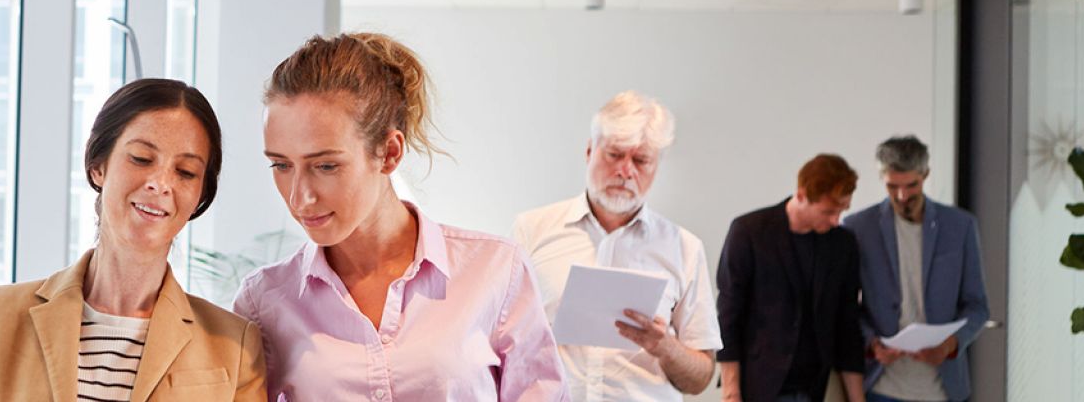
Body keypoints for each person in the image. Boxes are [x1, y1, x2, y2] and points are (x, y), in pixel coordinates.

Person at [231, 32, 568, 401]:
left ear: (389, 153)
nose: (300, 197)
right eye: (281, 165)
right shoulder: (263, 301)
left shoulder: (496, 270)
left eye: (326, 166)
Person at [0, 79, 265, 402]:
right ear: (98, 166)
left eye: (185, 172)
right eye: (141, 158)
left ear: (200, 195)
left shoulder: (235, 347)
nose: (160, 183)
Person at [513, 92, 720, 400]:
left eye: (641, 160)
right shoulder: (532, 230)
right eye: (614, 155)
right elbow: (500, 337)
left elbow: (700, 378)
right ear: (589, 151)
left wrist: (664, 346)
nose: (625, 171)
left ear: (656, 167)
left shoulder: (684, 248)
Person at [842, 136, 989, 402]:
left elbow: (977, 307)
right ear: (882, 178)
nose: (902, 196)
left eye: (911, 185)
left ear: (925, 175)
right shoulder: (858, 228)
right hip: (880, 388)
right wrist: (872, 343)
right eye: (892, 186)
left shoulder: (960, 226)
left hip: (944, 390)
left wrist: (950, 345)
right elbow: (846, 308)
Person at [716, 154, 866, 402]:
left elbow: (847, 325)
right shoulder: (749, 232)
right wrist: (731, 393)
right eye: (828, 211)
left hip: (816, 387)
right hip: (760, 386)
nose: (835, 220)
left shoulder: (843, 243)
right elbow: (729, 315)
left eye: (842, 211)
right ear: (801, 195)